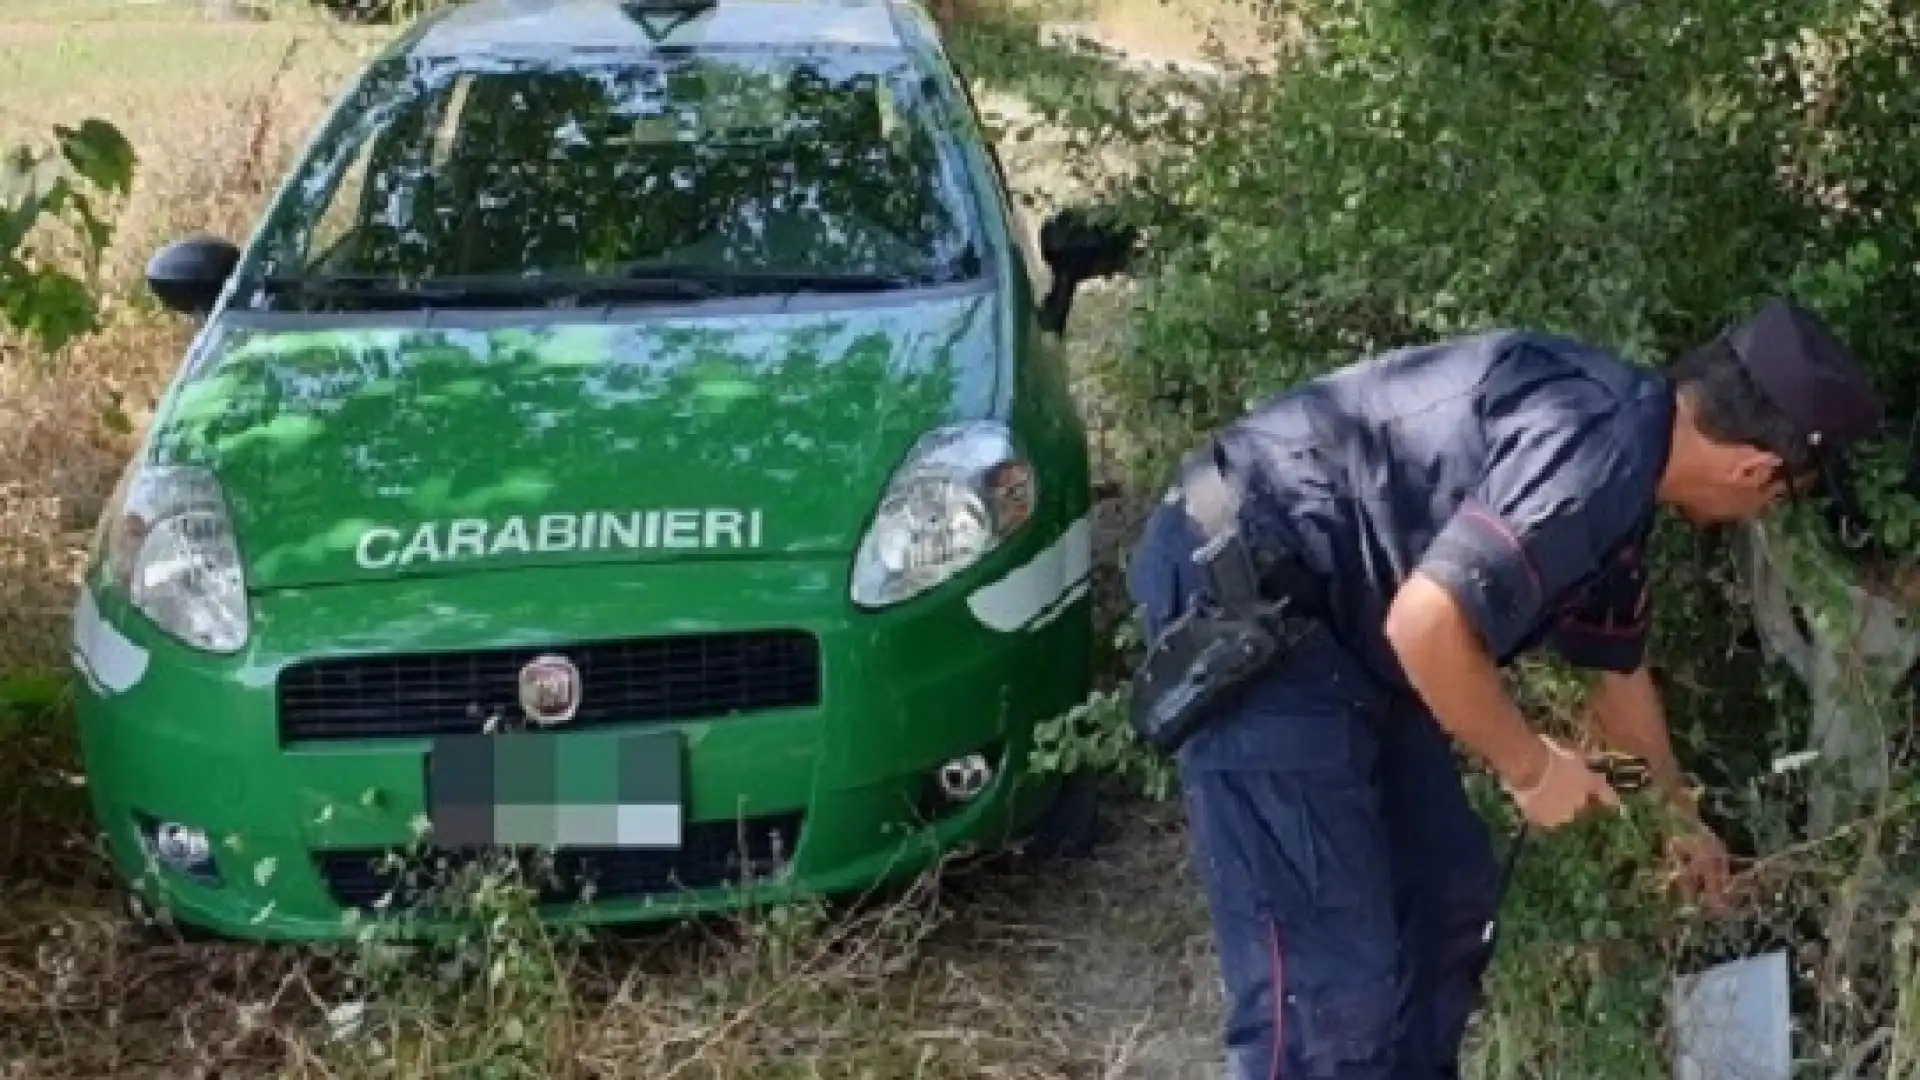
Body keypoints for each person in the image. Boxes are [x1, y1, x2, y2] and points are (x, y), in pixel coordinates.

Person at [1124, 297, 1884, 1079]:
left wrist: (1676, 817)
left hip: (1340, 631)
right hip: (1250, 598)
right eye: (1775, 498)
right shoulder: (1597, 455)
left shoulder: (1628, 455)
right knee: (1327, 995)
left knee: (1446, 904)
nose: (1757, 512)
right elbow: (1427, 626)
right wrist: (1534, 770)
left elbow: (1614, 669)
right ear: (1755, 469)